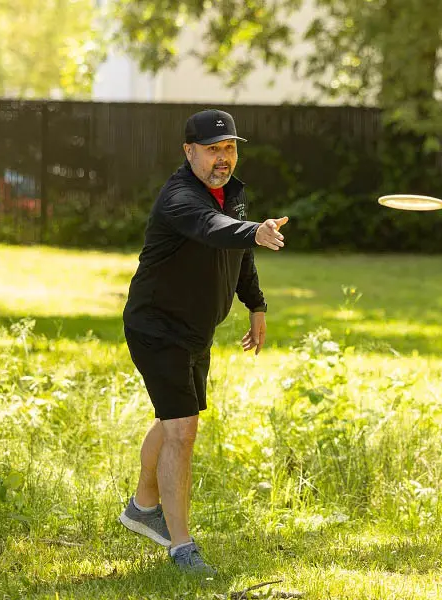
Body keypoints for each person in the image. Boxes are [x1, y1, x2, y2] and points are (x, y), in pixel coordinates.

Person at [118, 108, 288, 573]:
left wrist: (255, 304)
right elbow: (213, 231)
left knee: (174, 420)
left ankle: (141, 508)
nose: (223, 158)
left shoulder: (229, 192)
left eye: (229, 147)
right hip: (157, 327)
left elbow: (236, 252)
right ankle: (181, 546)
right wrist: (254, 230)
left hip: (194, 329)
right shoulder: (180, 197)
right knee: (182, 430)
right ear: (188, 151)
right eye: (213, 149)